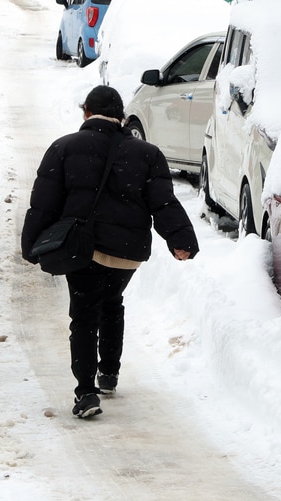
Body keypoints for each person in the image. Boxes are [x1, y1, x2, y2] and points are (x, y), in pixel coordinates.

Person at [22, 86, 199, 419]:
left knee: (85, 314)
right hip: (125, 252)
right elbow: (162, 203)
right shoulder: (148, 154)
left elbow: (43, 204)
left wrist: (31, 244)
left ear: (86, 111)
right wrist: (181, 239)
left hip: (82, 249)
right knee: (112, 301)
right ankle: (109, 373)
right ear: (120, 116)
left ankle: (87, 392)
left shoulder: (63, 148)